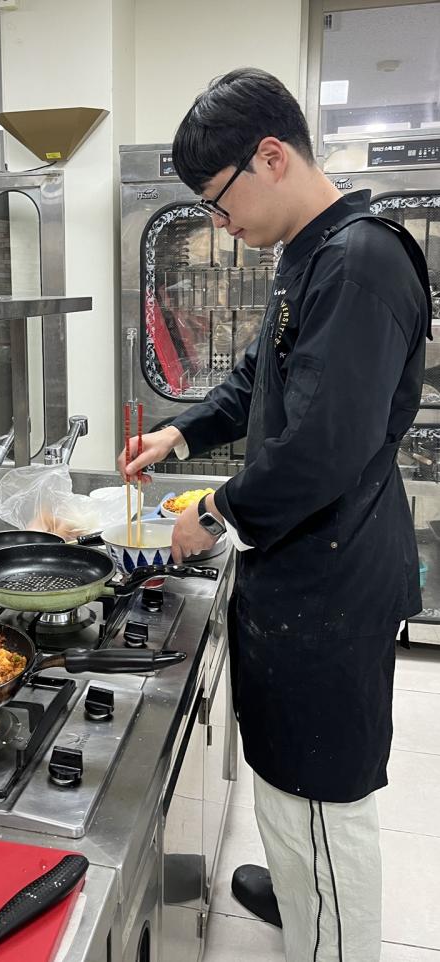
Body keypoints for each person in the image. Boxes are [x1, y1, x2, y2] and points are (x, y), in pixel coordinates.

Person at [119, 68, 431, 962]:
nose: (221, 225)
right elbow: (261, 379)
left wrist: (217, 513)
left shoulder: (360, 262)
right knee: (289, 766)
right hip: (300, 563)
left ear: (271, 156)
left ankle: (333, 935)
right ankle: (301, 893)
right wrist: (181, 433)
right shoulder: (311, 252)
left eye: (219, 202)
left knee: (325, 791)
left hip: (333, 574)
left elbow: (326, 447)